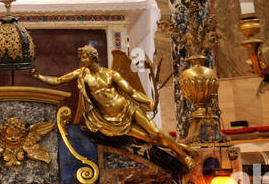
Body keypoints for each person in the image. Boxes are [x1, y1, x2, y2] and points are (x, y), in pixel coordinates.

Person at [35, 44, 193, 167]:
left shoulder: (111, 74)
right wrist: (39, 77)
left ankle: (183, 155)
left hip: (128, 109)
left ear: (92, 58)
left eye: (84, 57)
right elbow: (58, 81)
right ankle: (179, 147)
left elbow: (131, 91)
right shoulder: (82, 74)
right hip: (109, 119)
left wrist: (148, 102)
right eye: (81, 58)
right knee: (147, 138)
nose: (82, 60)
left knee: (156, 133)